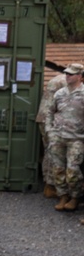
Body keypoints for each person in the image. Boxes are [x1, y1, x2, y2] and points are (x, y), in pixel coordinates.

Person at [47, 63, 84, 212]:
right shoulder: (60, 93)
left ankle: (75, 197)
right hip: (58, 138)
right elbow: (49, 112)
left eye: (71, 74)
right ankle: (63, 196)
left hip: (76, 138)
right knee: (57, 169)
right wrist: (50, 131)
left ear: (80, 76)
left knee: (73, 170)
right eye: (67, 73)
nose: (67, 76)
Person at [36, 70, 68, 199]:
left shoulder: (59, 78)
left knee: (49, 152)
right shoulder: (66, 82)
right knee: (54, 153)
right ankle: (51, 186)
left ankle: (48, 184)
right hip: (52, 120)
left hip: (44, 118)